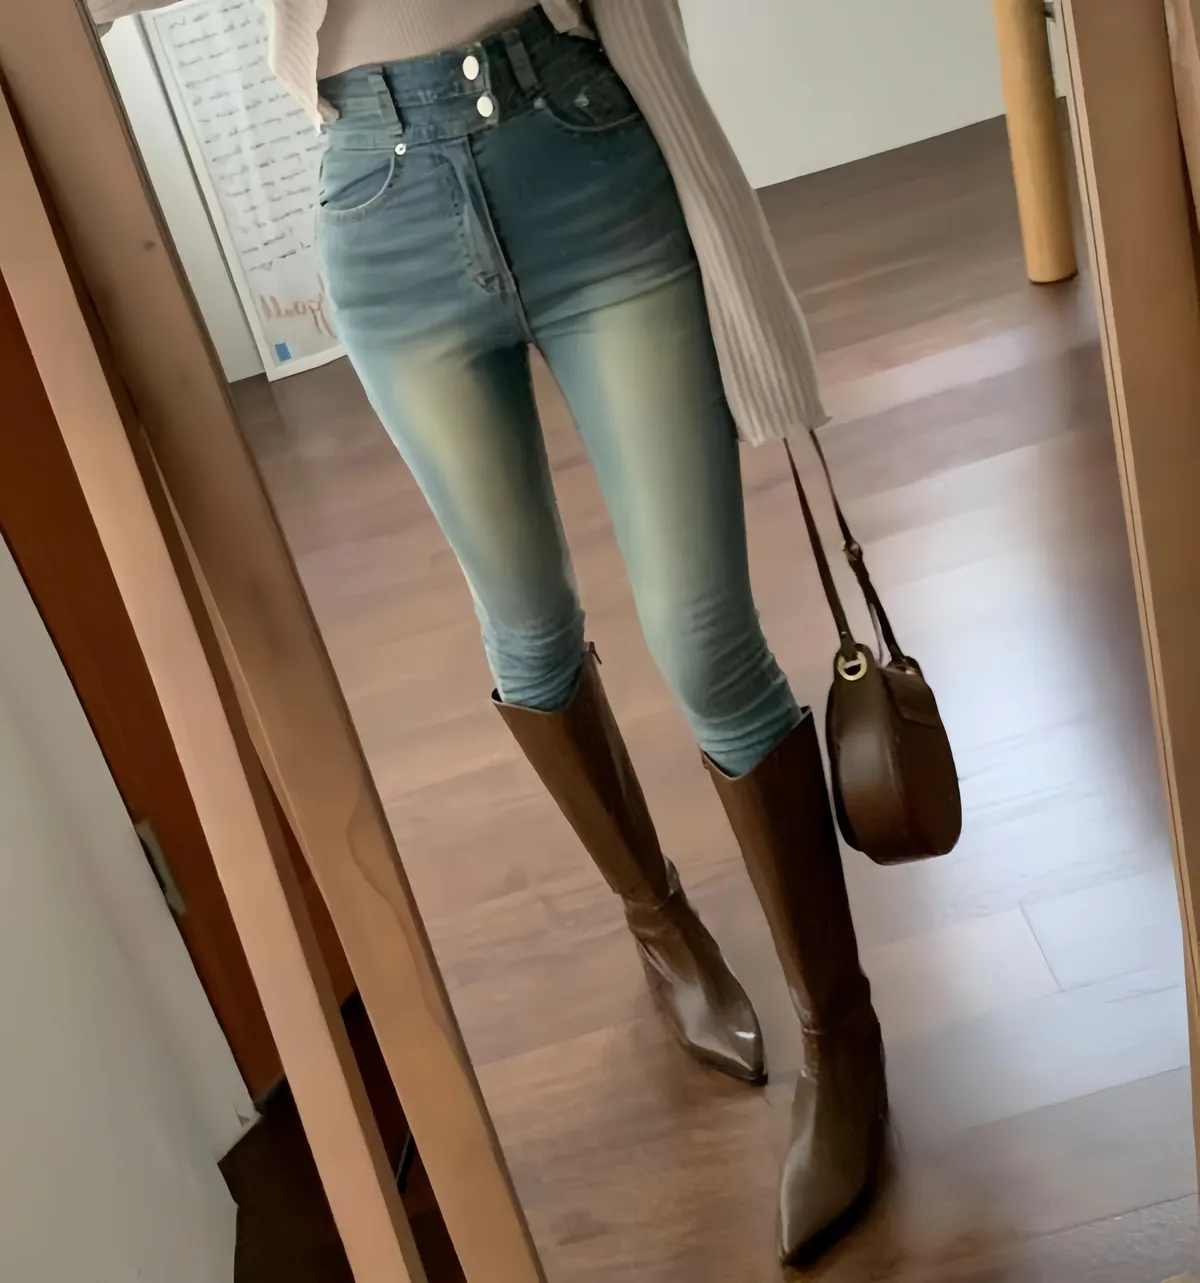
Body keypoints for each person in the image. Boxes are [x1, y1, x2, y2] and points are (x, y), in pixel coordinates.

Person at [92, 0, 886, 1262]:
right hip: (379, 188)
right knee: (527, 635)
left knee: (708, 643)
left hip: (577, 136)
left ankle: (843, 1038)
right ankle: (661, 926)